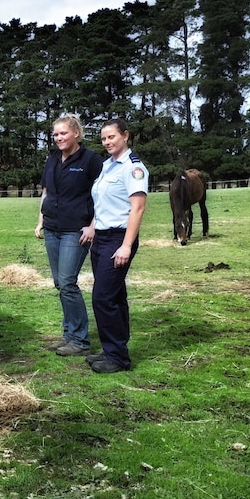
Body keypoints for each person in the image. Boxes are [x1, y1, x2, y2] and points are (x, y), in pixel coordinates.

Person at [35, 114, 103, 357]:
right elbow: (46, 192)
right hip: (52, 228)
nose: (59, 138)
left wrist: (93, 225)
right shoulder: (52, 159)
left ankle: (80, 340)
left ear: (76, 133)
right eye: (55, 134)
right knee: (59, 284)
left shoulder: (91, 160)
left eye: (63, 133)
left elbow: (102, 195)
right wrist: (40, 221)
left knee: (67, 282)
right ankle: (69, 334)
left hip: (75, 230)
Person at [86, 118, 148, 373]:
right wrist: (92, 226)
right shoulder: (106, 166)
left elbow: (138, 207)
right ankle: (114, 350)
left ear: (125, 136)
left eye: (111, 137)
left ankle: (118, 358)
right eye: (103, 138)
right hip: (101, 237)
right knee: (115, 296)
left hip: (118, 239)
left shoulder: (133, 169)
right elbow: (101, 202)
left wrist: (126, 246)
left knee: (102, 298)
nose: (107, 142)